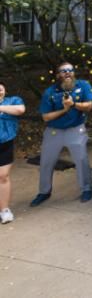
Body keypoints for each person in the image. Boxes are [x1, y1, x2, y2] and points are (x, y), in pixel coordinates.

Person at [31, 63, 92, 206]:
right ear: (57, 75)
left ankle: (86, 189)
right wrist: (64, 110)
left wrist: (73, 105)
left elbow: (89, 106)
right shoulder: (50, 91)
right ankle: (44, 192)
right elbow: (46, 117)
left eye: (70, 70)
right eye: (63, 71)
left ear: (74, 73)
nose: (67, 73)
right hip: (54, 131)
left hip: (76, 129)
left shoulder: (83, 85)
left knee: (81, 160)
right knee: (46, 162)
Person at [0, 82, 26, 223]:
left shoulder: (13, 100)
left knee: (3, 176)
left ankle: (4, 210)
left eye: (1, 88)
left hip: (5, 143)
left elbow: (20, 110)